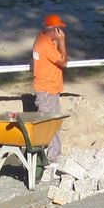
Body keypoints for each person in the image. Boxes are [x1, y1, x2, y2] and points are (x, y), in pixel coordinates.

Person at [32, 14, 68, 161]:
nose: (60, 31)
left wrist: (57, 42)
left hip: (49, 89)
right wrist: (62, 42)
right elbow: (63, 62)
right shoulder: (45, 45)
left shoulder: (42, 39)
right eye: (58, 29)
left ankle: (54, 154)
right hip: (47, 90)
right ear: (53, 30)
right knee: (48, 125)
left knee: (54, 123)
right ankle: (48, 156)